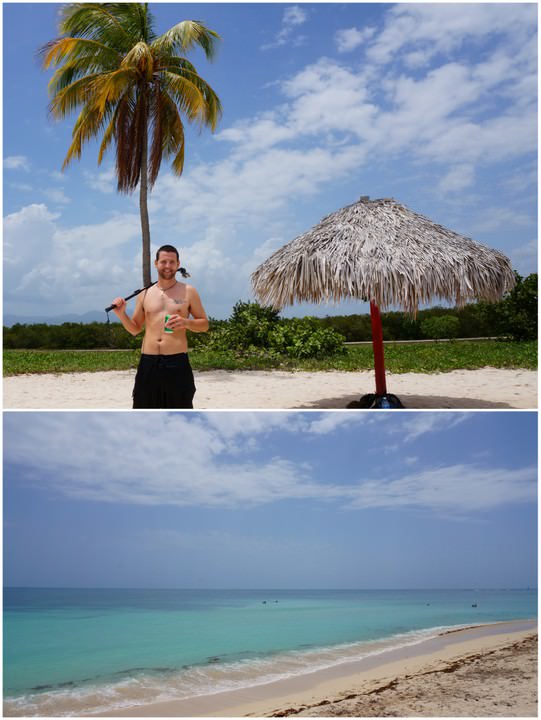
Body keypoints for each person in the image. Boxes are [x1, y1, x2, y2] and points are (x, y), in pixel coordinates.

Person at [110, 245, 208, 408]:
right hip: (148, 362)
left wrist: (186, 322)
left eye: (171, 262)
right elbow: (135, 329)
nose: (167, 266)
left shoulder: (189, 292)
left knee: (180, 408)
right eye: (163, 262)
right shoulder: (144, 293)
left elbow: (204, 325)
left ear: (178, 264)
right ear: (156, 263)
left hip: (177, 362)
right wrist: (121, 314)